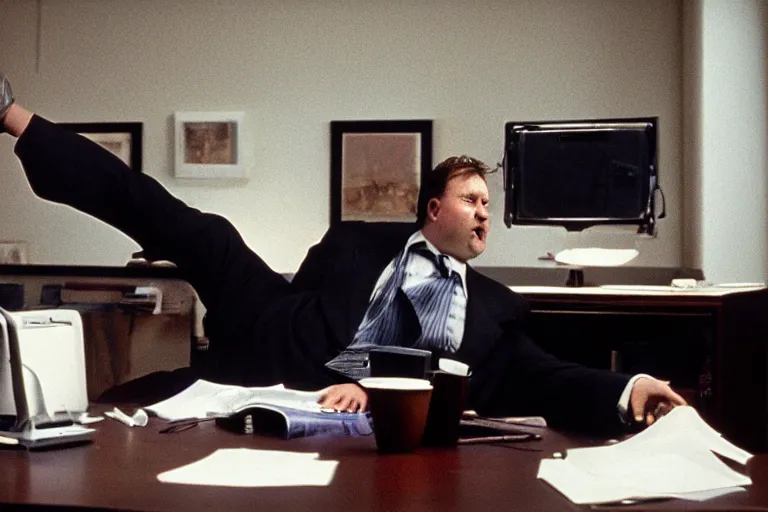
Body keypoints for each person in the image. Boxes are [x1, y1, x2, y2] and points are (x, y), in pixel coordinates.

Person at [0, 75, 685, 434]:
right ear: (432, 209)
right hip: (276, 336)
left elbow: (547, 377)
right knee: (197, 230)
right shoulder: (359, 238)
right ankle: (14, 116)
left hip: (346, 420)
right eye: (470, 199)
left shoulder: (496, 310)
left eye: (488, 206)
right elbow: (309, 290)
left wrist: (630, 388)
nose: (483, 213)